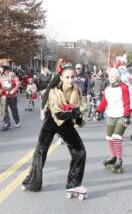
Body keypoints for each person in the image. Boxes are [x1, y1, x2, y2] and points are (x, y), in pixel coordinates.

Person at [21, 59, 86, 192]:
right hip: (52, 121)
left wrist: (80, 118)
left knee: (80, 152)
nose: (70, 80)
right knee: (40, 152)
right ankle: (32, 183)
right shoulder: (53, 92)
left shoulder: (77, 91)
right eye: (67, 77)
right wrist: (76, 111)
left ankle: (73, 184)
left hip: (67, 124)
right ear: (61, 77)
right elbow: (59, 115)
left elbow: (78, 110)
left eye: (72, 77)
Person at [97, 67, 131, 173]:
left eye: (113, 76)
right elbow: (104, 102)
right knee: (109, 138)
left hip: (121, 115)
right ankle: (113, 157)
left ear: (118, 76)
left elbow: (126, 102)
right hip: (111, 115)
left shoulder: (124, 88)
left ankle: (119, 159)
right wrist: (98, 110)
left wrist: (127, 116)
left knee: (116, 137)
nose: (110, 78)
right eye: (109, 76)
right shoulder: (107, 89)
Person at [0, 58, 21, 131]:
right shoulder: (0, 75)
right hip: (3, 95)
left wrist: (14, 90)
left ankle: (17, 120)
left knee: (14, 109)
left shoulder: (12, 74)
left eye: (0, 67)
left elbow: (18, 83)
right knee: (4, 110)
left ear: (4, 68)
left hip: (12, 96)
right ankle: (6, 123)